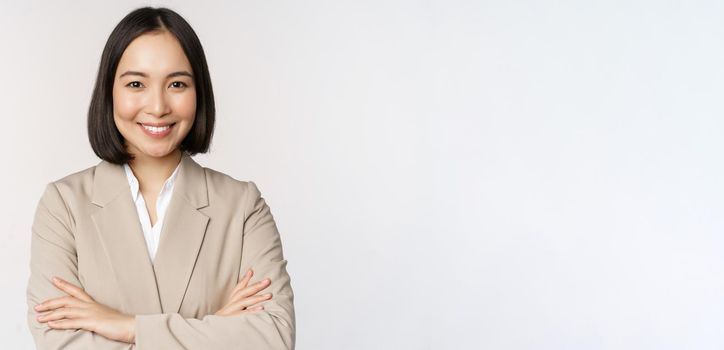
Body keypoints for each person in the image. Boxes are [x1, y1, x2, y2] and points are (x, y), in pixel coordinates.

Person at [25, 6, 295, 349]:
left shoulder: (243, 206)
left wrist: (127, 327)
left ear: (199, 93)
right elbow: (60, 342)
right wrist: (216, 328)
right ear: (110, 91)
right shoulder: (63, 205)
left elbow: (273, 339)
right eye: (136, 83)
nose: (157, 106)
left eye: (177, 84)